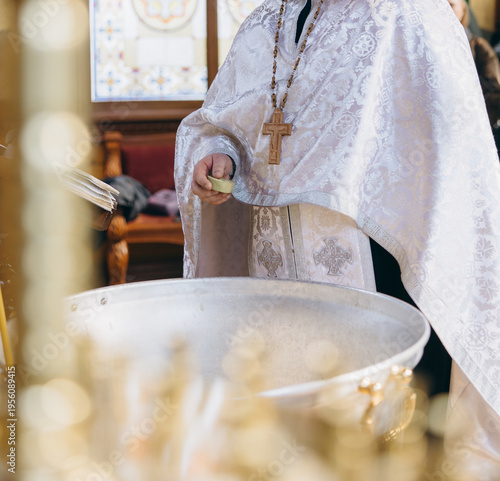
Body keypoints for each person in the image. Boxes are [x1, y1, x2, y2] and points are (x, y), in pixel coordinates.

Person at [175, 0, 500, 477]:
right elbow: (222, 123)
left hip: (378, 276)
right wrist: (217, 153)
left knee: (378, 449)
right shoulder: (265, 23)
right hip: (272, 280)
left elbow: (456, 168)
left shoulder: (408, 16)